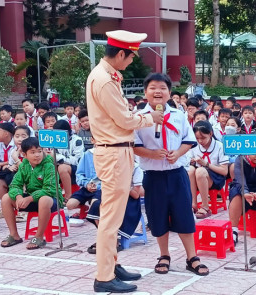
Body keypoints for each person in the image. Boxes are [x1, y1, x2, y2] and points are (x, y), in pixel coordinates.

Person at [86, 30, 160, 293]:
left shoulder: (108, 76)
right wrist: (151, 118)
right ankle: (104, 277)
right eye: (130, 58)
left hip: (119, 150)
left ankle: (111, 264)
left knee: (114, 216)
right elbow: (125, 120)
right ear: (120, 54)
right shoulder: (104, 80)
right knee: (110, 217)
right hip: (114, 152)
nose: (130, 63)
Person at [133, 73, 209, 277]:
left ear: (169, 92)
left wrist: (178, 153)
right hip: (154, 176)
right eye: (153, 87)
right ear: (145, 92)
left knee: (184, 215)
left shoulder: (178, 115)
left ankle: (192, 257)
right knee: (157, 216)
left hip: (177, 174)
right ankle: (164, 255)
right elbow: (134, 146)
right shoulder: (138, 118)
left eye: (162, 88)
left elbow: (188, 139)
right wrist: (151, 154)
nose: (158, 91)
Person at [0, 137, 63, 250]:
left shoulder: (49, 165)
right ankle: (14, 235)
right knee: (6, 198)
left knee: (44, 199)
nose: (37, 155)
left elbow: (49, 190)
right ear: (24, 154)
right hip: (33, 199)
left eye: (39, 151)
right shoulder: (24, 166)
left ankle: (39, 237)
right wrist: (19, 197)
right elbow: (14, 185)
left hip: (51, 200)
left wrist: (29, 198)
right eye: (32, 152)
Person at [86, 161, 143, 254]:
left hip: (129, 199)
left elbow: (136, 195)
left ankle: (113, 241)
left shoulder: (136, 168)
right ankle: (105, 239)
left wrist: (122, 183)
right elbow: (100, 180)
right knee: (96, 205)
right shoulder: (112, 164)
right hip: (111, 194)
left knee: (114, 208)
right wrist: (92, 184)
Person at [188, 120, 229, 218]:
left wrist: (206, 164)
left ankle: (205, 207)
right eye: (197, 138)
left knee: (200, 171)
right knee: (190, 169)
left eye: (203, 138)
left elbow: (224, 171)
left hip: (215, 178)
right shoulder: (194, 147)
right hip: (198, 179)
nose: (200, 141)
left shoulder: (219, 146)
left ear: (210, 134)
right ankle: (193, 203)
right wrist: (192, 161)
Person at [0, 126, 30, 207]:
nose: (20, 139)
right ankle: (7, 206)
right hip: (15, 175)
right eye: (17, 136)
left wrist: (16, 159)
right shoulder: (14, 151)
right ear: (13, 138)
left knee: (14, 179)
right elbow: (10, 164)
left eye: (23, 136)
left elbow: (28, 171)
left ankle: (20, 206)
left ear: (29, 137)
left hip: (29, 178)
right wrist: (10, 167)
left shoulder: (31, 151)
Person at [66, 132, 101, 212]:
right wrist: (86, 184)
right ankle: (84, 207)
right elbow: (79, 174)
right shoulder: (87, 154)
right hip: (87, 187)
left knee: (95, 205)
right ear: (92, 140)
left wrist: (98, 186)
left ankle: (93, 206)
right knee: (69, 205)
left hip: (101, 188)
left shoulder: (108, 155)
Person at [50, 120, 84, 202]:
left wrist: (61, 159)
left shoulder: (77, 140)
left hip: (75, 167)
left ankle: (68, 196)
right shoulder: (55, 140)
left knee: (62, 168)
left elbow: (77, 160)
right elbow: (53, 154)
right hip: (58, 164)